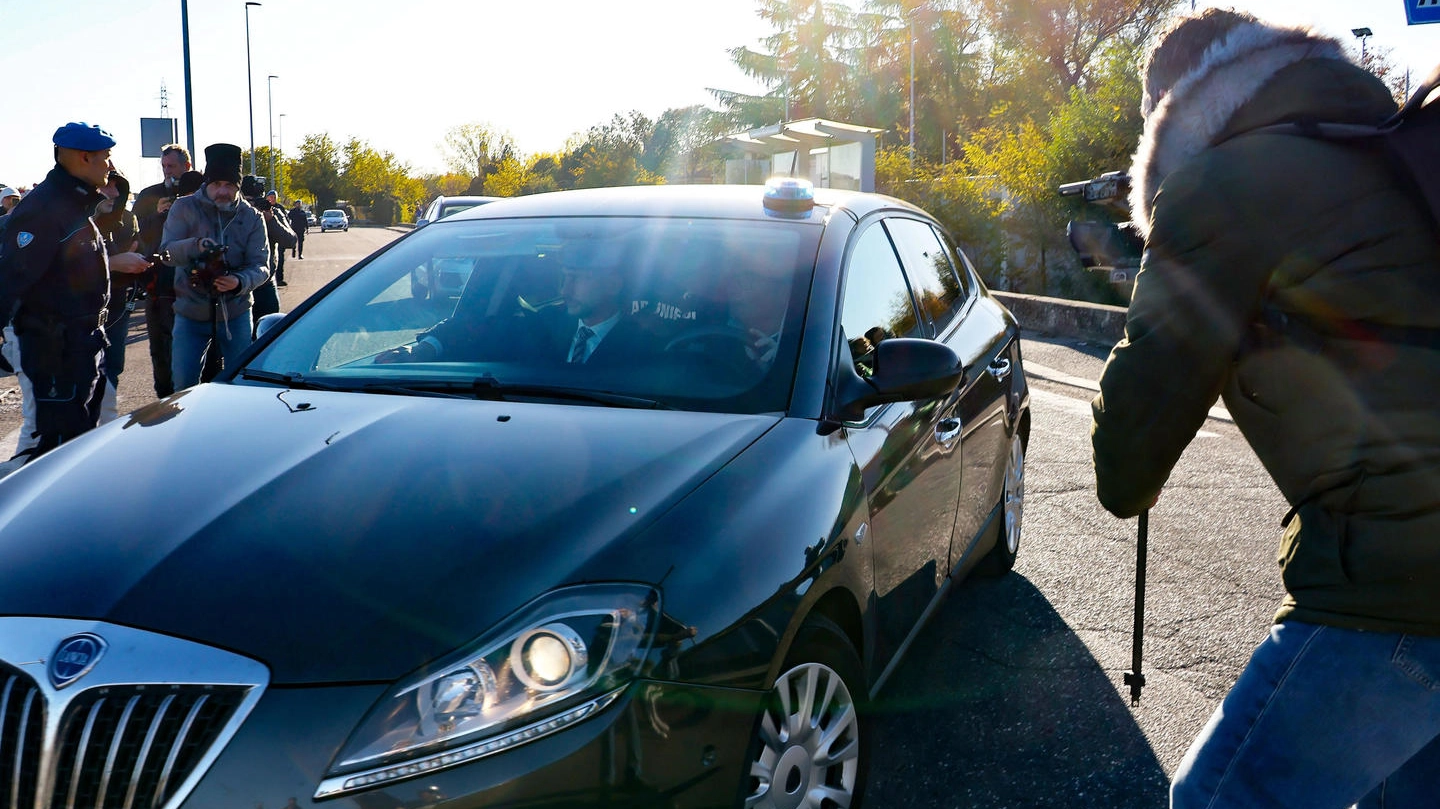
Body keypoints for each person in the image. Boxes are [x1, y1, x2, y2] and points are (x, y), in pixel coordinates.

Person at [1089, 10, 1440, 808]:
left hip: (1398, 587)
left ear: (1166, 113)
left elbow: (1124, 466)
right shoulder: (1382, 150)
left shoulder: (1219, 185)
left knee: (1218, 798)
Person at [0, 122, 150, 465]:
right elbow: (13, 276)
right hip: (53, 349)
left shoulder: (74, 205)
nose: (110, 165)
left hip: (81, 343)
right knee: (49, 452)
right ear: (84, 158)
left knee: (80, 441)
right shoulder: (45, 209)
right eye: (106, 157)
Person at [379, 244, 656, 365]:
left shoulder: (645, 344)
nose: (565, 288)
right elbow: (478, 328)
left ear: (613, 284)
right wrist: (425, 348)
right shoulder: (545, 324)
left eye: (580, 279)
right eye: (565, 277)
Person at [160, 143, 270, 390]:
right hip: (190, 313)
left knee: (240, 387)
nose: (222, 191)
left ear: (238, 186)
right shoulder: (183, 208)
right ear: (206, 183)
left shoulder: (251, 217)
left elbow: (262, 266)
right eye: (216, 184)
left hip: (237, 313)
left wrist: (239, 282)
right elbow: (166, 254)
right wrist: (195, 246)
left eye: (229, 185)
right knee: (183, 387)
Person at [132, 143, 193, 398]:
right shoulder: (149, 195)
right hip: (158, 284)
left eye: (173, 166)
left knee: (189, 343)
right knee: (160, 345)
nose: (168, 172)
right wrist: (157, 214)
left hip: (192, 283)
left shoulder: (198, 192)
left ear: (186, 167)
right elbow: (136, 235)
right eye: (164, 166)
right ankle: (164, 396)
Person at [93, 168, 142, 424]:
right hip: (84, 313)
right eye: (105, 185)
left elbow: (134, 250)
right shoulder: (74, 220)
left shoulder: (128, 219)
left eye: (116, 186)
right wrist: (113, 262)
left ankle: (103, 432)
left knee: (113, 366)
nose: (111, 192)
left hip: (119, 305)